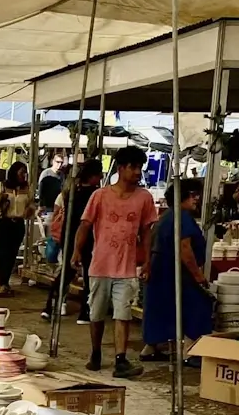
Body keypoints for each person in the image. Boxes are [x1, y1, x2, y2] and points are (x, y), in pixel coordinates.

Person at [72, 146, 158, 378]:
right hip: (100, 264)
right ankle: (96, 352)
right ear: (121, 168)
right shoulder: (99, 196)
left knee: (123, 313)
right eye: (134, 167)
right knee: (96, 313)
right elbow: (85, 225)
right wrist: (76, 251)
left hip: (127, 267)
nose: (138, 172)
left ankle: (121, 359)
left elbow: (147, 232)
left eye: (140, 168)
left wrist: (147, 261)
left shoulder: (144, 198)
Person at [140, 178, 212, 362]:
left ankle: (150, 347)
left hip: (161, 269)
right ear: (183, 196)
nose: (196, 199)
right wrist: (198, 276)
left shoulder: (167, 216)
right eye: (193, 195)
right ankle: (192, 352)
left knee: (159, 308)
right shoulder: (182, 218)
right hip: (174, 271)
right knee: (197, 306)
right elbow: (184, 249)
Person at [42, 159, 103, 322]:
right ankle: (85, 310)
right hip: (88, 238)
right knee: (89, 275)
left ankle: (50, 304)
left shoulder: (71, 192)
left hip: (69, 236)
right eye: (99, 174)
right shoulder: (95, 194)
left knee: (67, 272)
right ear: (93, 176)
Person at [0, 161, 33, 297]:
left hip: (18, 224)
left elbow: (31, 204)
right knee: (3, 253)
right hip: (2, 223)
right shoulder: (1, 186)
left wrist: (30, 210)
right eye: (21, 172)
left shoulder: (27, 188)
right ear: (14, 172)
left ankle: (5, 283)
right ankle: (3, 283)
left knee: (12, 254)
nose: (24, 175)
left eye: (25, 172)